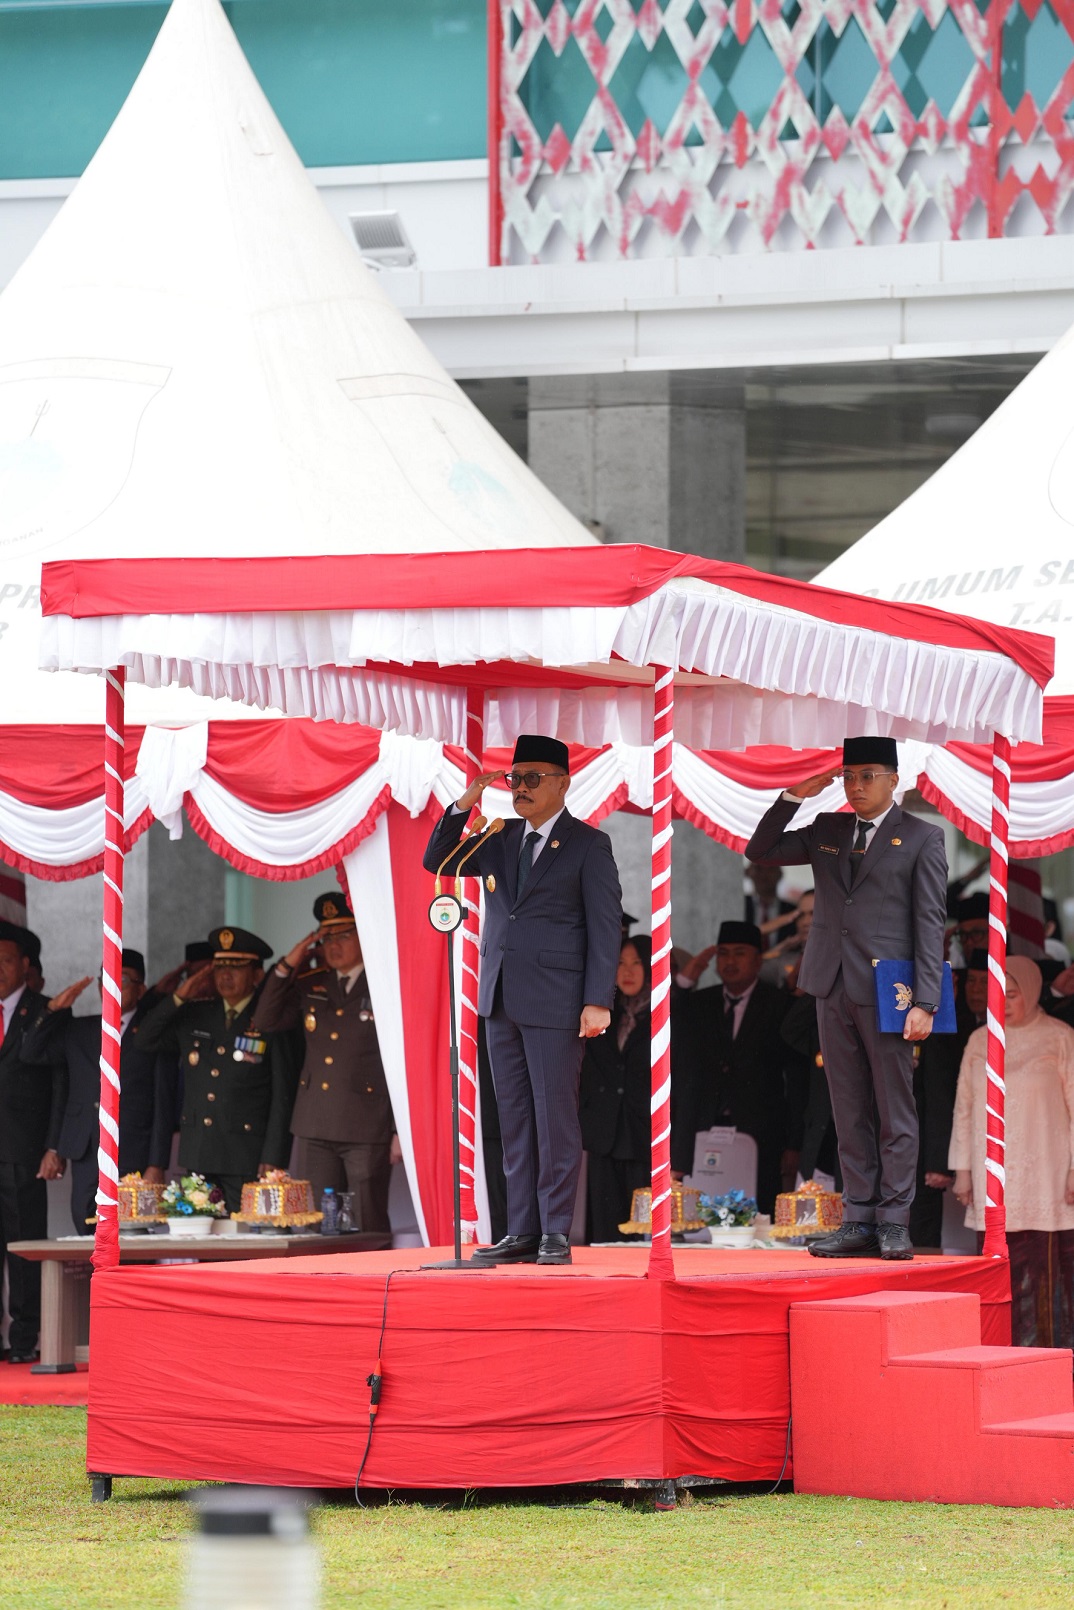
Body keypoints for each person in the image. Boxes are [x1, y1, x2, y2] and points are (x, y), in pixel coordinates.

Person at [423, 733, 622, 1266]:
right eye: (514, 779)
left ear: (564, 782)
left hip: (558, 998)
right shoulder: (499, 837)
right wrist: (465, 803)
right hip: (501, 996)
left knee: (554, 1115)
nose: (520, 789)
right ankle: (521, 1230)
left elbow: (605, 929)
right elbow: (437, 862)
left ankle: (555, 1230)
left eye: (533, 778)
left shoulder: (587, 843)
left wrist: (597, 998)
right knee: (512, 1118)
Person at [745, 737, 947, 1260]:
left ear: (894, 779)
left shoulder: (923, 836)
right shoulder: (827, 829)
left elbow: (929, 923)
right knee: (847, 1106)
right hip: (830, 983)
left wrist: (927, 1000)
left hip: (891, 991)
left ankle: (894, 1219)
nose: (856, 786)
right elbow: (760, 850)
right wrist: (795, 795)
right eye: (850, 776)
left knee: (893, 1108)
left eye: (868, 776)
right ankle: (858, 1216)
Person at [256, 892, 399, 1234]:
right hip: (316, 1122)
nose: (334, 945)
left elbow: (400, 1064)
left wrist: (397, 1130)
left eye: (344, 935)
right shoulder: (311, 984)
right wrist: (289, 963)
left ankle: (373, 1285)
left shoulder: (385, 980)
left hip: (367, 1124)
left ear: (363, 934)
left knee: (367, 1219)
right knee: (321, 1223)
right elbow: (264, 1020)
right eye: (327, 938)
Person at [950, 958, 1074, 1347]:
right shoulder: (978, 1040)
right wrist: (963, 1172)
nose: (1002, 1002)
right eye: (996, 994)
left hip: (1049, 1178)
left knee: (1046, 1273)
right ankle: (998, 1355)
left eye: (1013, 994)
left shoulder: (1059, 1037)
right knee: (997, 1275)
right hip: (994, 1178)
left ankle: (1050, 1362)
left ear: (1034, 993)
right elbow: (965, 1108)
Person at [130, 927, 298, 1215]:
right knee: (201, 1241)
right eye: (219, 968)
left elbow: (284, 1093)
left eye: (237, 968)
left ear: (257, 974)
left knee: (245, 1242)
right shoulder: (197, 1012)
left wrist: (274, 1155)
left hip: (247, 1154)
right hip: (200, 1152)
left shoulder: (270, 1017)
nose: (225, 975)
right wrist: (179, 997)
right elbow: (145, 1039)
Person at [21, 949, 165, 1234]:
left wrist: (156, 1163)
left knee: (134, 1234)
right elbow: (31, 1053)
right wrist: (52, 1010)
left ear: (141, 988)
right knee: (86, 1226)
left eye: (121, 980)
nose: (110, 986)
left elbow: (163, 1101)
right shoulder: (79, 1029)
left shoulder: (152, 1031)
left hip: (133, 1151)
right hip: (87, 1149)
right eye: (105, 979)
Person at [671, 921, 790, 1213]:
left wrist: (793, 1143)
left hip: (761, 1130)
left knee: (757, 1215)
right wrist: (686, 982)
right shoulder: (700, 1002)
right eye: (723, 953)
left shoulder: (779, 1005)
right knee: (701, 1214)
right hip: (704, 1125)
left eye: (740, 953)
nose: (730, 961)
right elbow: (666, 1025)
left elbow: (794, 1078)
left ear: (758, 960)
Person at [0, 921, 65, 1363]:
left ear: (26, 965)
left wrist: (54, 1144)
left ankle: (24, 1341)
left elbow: (62, 1086)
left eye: (5, 960)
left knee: (24, 1246)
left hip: (23, 1151)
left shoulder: (47, 1012)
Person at [908, 948, 986, 1248]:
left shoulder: (951, 1024)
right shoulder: (952, 1022)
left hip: (936, 1149)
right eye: (972, 982)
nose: (976, 990)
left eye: (984, 983)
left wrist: (939, 1161)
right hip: (918, 1149)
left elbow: (941, 1093)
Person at [579, 934, 653, 1243]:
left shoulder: (666, 1012)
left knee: (644, 1231)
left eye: (637, 963)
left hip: (645, 1136)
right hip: (604, 1135)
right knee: (605, 1231)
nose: (628, 971)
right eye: (621, 963)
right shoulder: (602, 1011)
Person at [744, 863, 797, 944]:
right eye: (759, 869)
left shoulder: (793, 911)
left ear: (780, 874)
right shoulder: (739, 905)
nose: (764, 875)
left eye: (771, 869)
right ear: (748, 873)